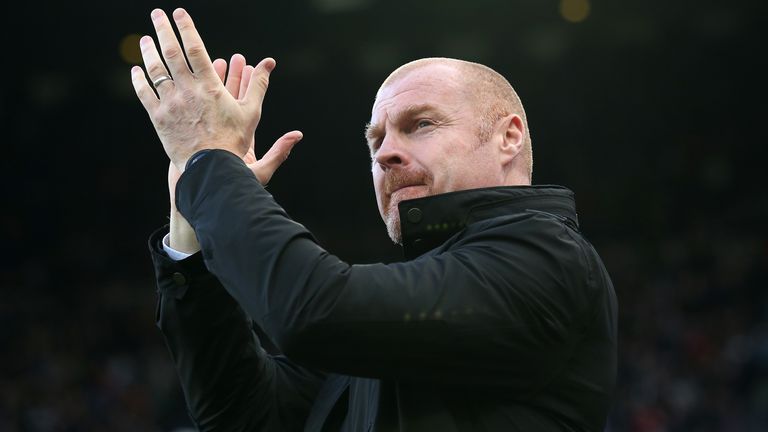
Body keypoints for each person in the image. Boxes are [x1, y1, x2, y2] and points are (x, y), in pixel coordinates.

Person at [133, 8, 617, 432]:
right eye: (375, 140)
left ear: (508, 137)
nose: (385, 152)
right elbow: (243, 416)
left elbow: (313, 311)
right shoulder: (390, 327)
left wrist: (211, 165)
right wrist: (192, 221)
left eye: (420, 124)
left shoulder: (547, 258)